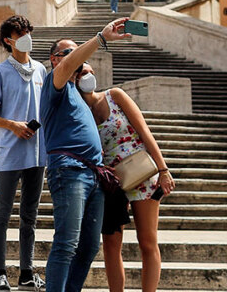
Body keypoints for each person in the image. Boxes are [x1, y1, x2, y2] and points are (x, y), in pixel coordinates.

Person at [41, 18, 131, 292]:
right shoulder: (54, 82)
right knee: (66, 243)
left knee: (89, 246)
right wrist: (99, 39)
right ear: (54, 59)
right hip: (69, 170)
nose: (74, 57)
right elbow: (69, 65)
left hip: (94, 174)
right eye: (68, 52)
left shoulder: (78, 93)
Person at [76, 62, 175, 292]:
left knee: (147, 241)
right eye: (83, 73)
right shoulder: (78, 112)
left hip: (143, 173)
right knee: (111, 244)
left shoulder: (115, 96)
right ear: (74, 79)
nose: (89, 76)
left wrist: (163, 169)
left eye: (92, 72)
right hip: (110, 183)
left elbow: (144, 131)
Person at [0, 15, 48, 292]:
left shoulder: (41, 70)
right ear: (9, 39)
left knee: (30, 215)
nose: (26, 35)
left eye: (28, 30)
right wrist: (13, 126)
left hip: (38, 153)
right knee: (3, 213)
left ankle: (27, 272)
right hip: (10, 152)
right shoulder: (0, 72)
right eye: (21, 32)